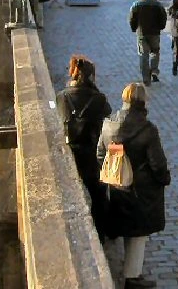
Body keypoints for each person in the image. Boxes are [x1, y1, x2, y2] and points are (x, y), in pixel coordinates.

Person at [97, 82, 170, 289]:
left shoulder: (108, 123)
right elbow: (158, 165)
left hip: (117, 186)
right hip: (141, 190)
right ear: (143, 102)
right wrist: (164, 179)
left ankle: (128, 272)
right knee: (138, 233)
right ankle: (132, 277)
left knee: (126, 225)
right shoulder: (148, 130)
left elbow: (100, 155)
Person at [56, 55, 112, 238]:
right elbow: (107, 115)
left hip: (69, 151)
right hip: (91, 152)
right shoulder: (98, 99)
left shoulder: (62, 97)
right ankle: (101, 233)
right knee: (98, 194)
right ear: (91, 76)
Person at [129, 0, 167, 87]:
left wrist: (134, 28)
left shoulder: (136, 5)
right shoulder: (158, 5)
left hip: (142, 33)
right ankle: (154, 70)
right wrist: (161, 26)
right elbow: (163, 17)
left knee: (143, 55)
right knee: (155, 51)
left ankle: (146, 78)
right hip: (155, 33)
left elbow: (132, 19)